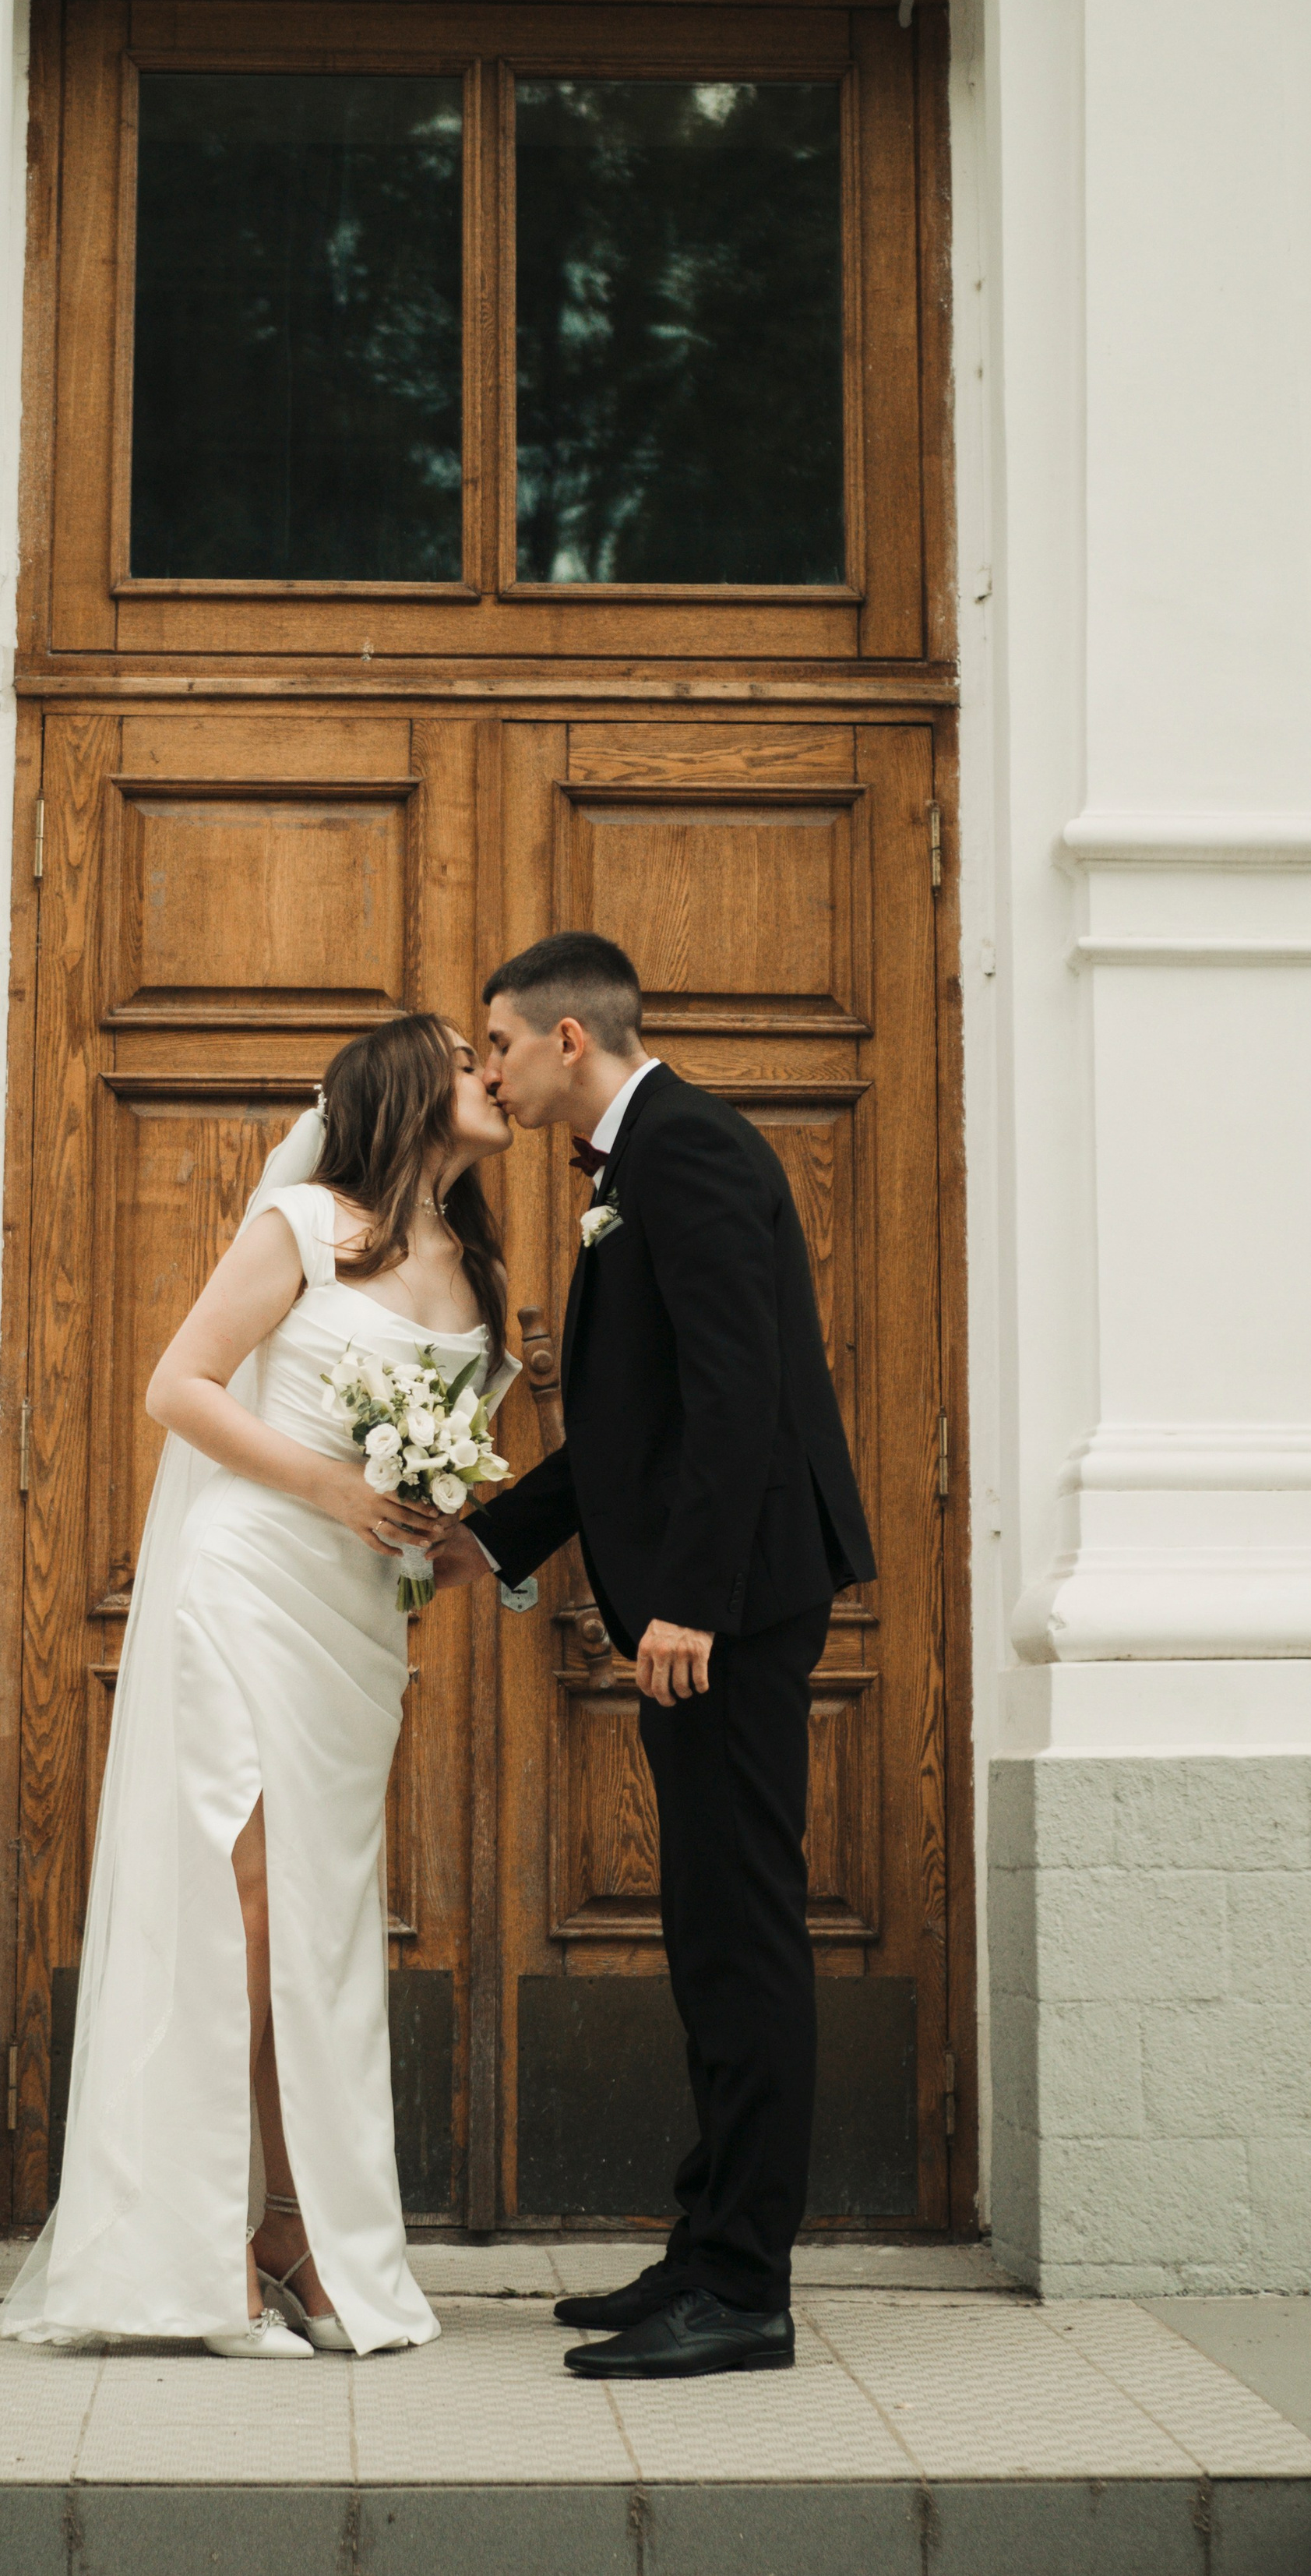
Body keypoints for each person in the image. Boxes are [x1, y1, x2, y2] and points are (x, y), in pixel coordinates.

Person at [1, 1015, 516, 2359]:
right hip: (246, 1580)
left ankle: (305, 2232)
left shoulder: (481, 1267)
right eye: (469, 1059)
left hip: (358, 1624)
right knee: (243, 1905)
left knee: (323, 1928)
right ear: (409, 1089)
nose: (494, 1076)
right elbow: (180, 1386)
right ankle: (203, 2246)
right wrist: (339, 1488)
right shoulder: (301, 1222)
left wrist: (440, 1529)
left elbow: (452, 1460)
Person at [432, 931, 873, 2383]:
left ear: (569, 1041)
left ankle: (746, 2288)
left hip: (731, 1612)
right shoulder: (640, 1164)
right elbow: (634, 1429)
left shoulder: (686, 1151)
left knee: (740, 1932)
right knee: (703, 1924)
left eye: (494, 1042)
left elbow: (742, 1390)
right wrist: (487, 1536)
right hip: (715, 1601)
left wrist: (688, 1597)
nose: (483, 1067)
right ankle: (708, 2241)